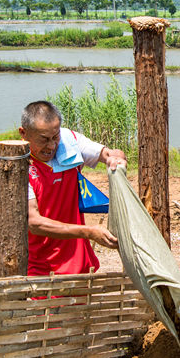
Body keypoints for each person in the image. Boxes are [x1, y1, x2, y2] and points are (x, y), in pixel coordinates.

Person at [18, 101, 127, 277]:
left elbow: (108, 153)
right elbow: (34, 223)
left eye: (55, 137)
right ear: (23, 133)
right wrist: (89, 232)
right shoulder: (19, 165)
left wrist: (116, 158)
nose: (52, 146)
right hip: (42, 267)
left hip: (79, 262)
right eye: (44, 139)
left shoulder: (69, 142)